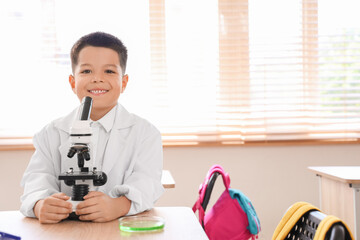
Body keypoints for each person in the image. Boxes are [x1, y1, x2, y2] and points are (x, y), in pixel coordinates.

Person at [20, 32, 164, 223]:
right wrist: (40, 205)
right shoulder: (50, 133)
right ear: (73, 82)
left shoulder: (145, 133)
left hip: (118, 228)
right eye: (87, 71)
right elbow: (36, 181)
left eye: (109, 71)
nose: (97, 79)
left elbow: (148, 183)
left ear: (124, 82)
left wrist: (118, 205)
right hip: (64, 230)